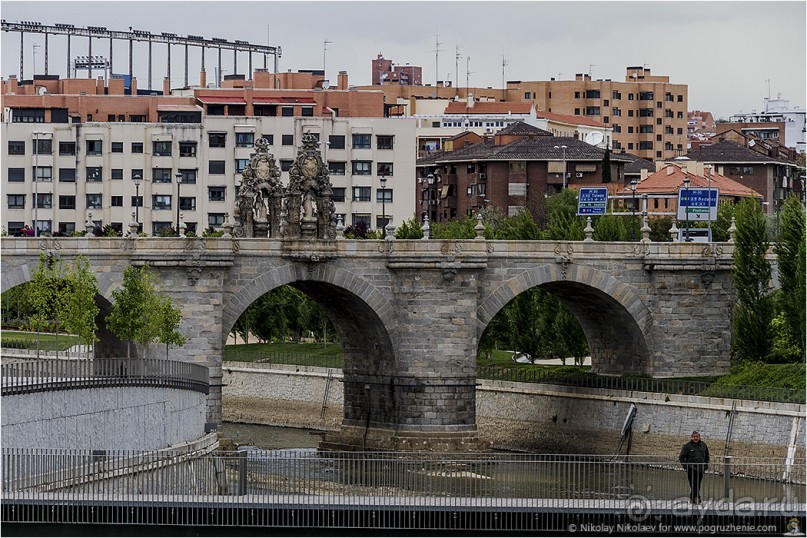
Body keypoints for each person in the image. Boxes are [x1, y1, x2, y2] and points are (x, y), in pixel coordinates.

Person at [679, 430, 710, 504]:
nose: (695, 438)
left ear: (699, 437)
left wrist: (705, 465)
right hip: (691, 468)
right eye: (694, 437)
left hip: (700, 469)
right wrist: (685, 466)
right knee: (693, 484)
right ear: (691, 437)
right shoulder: (687, 446)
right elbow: (681, 457)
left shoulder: (703, 445)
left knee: (698, 485)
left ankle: (692, 498)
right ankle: (697, 498)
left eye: (697, 437)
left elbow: (707, 456)